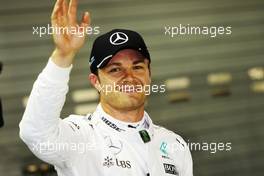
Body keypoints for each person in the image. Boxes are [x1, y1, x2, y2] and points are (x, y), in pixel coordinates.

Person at [19, 0, 193, 175]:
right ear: (96, 81)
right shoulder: (81, 137)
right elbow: (35, 133)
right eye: (115, 69)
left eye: (137, 67)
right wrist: (63, 56)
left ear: (149, 73)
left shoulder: (174, 144)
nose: (130, 77)